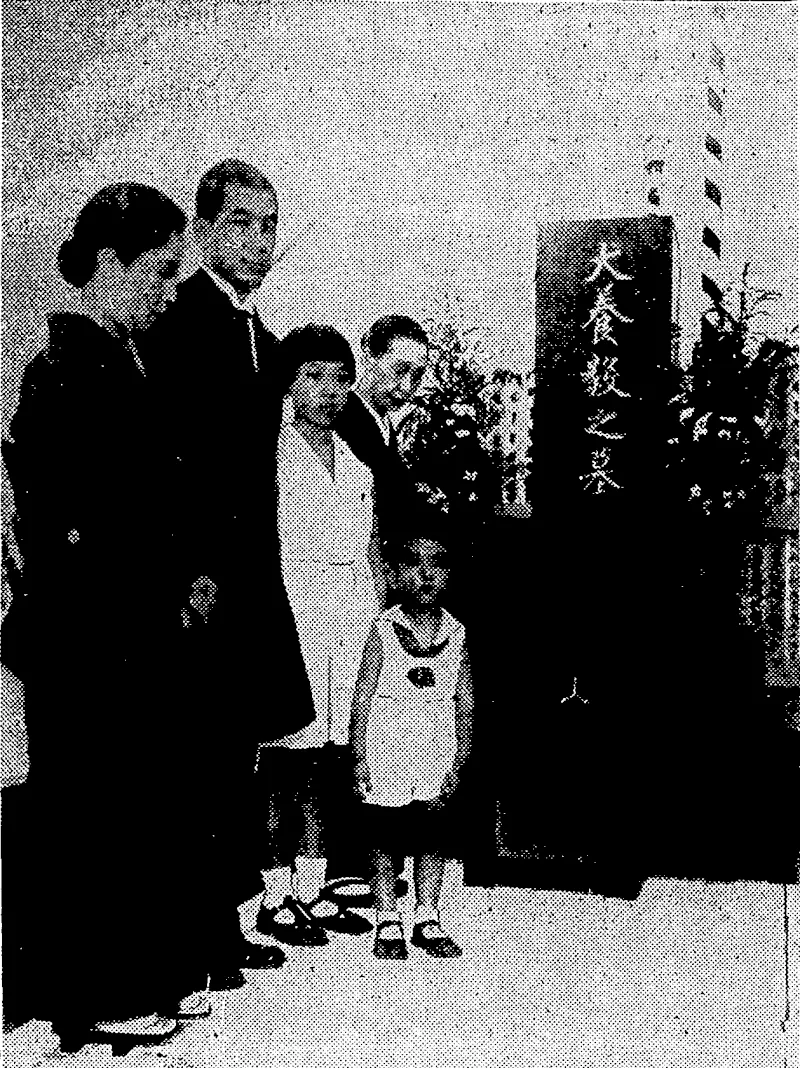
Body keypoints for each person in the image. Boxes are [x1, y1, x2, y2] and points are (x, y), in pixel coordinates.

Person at [3, 183, 207, 1051]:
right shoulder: (60, 370)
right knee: (93, 816)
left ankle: (144, 972)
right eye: (159, 273)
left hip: (134, 629)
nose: (168, 292)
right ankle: (94, 995)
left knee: (139, 807)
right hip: (88, 636)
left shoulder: (129, 360)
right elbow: (67, 527)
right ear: (110, 264)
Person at [140, 159, 315, 978]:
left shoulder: (264, 338)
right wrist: (191, 576)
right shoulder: (180, 321)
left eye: (269, 225)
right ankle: (193, 936)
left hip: (251, 574)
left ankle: (222, 927)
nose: (258, 240)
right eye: (241, 223)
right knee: (196, 761)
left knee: (236, 757)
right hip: (201, 584)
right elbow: (174, 467)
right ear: (205, 230)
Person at [254, 325, 384, 945]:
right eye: (315, 378)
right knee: (282, 764)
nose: (329, 394)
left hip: (346, 616)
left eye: (341, 380)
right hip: (290, 617)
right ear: (290, 379)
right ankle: (276, 898)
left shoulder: (353, 443)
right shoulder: (268, 446)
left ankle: (313, 889)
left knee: (327, 764)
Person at [350, 527, 474, 960]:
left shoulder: (456, 632)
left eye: (438, 564)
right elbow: (363, 696)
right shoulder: (383, 628)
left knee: (431, 836)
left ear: (451, 573)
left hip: (433, 749)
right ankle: (388, 915)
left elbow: (463, 701)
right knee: (386, 836)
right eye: (413, 564)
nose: (425, 574)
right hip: (389, 749)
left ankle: (427, 914)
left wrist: (458, 759)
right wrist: (361, 756)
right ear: (394, 573)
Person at [335, 314, 429, 531]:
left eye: (416, 376)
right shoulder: (341, 421)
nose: (406, 387)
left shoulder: (387, 428)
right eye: (400, 370)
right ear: (369, 357)